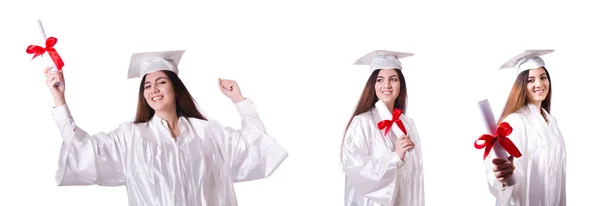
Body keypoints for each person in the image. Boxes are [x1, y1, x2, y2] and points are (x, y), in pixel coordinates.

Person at [43, 50, 288, 206]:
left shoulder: (208, 133)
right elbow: (83, 150)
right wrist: (59, 100)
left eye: (161, 82)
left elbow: (256, 148)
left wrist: (239, 100)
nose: (153, 90)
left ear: (175, 88)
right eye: (147, 86)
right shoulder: (131, 137)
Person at [340, 50, 425, 206]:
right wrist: (395, 158)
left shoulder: (408, 124)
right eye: (380, 80)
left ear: (401, 84)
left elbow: (414, 177)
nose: (386, 85)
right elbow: (356, 170)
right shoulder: (362, 123)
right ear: (373, 85)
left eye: (393, 79)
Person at [485, 49, 566, 205]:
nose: (539, 84)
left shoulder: (552, 123)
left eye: (543, 77)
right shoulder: (514, 122)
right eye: (530, 80)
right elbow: (500, 171)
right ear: (521, 86)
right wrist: (502, 175)